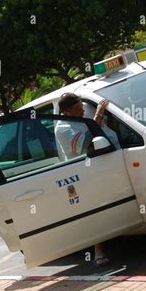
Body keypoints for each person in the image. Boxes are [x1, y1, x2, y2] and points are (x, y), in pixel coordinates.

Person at [55, 93, 111, 267]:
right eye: (79, 108)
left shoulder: (83, 117)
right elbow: (87, 142)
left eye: (83, 106)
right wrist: (99, 114)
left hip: (101, 165)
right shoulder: (62, 128)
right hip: (80, 175)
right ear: (67, 112)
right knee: (92, 211)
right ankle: (98, 252)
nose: (83, 110)